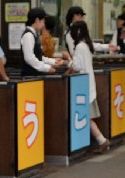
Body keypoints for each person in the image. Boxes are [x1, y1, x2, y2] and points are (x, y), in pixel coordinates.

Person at [66, 20, 109, 153]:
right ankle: (101, 140)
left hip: (82, 86)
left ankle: (101, 140)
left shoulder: (80, 47)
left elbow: (77, 66)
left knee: (85, 116)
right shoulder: (86, 45)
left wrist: (68, 60)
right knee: (87, 116)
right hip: (88, 84)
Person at [20, 8, 63, 76]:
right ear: (37, 20)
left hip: (35, 75)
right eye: (43, 21)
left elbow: (38, 57)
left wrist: (53, 61)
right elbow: (29, 58)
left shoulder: (34, 34)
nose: (43, 25)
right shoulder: (28, 35)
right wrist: (46, 68)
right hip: (30, 76)